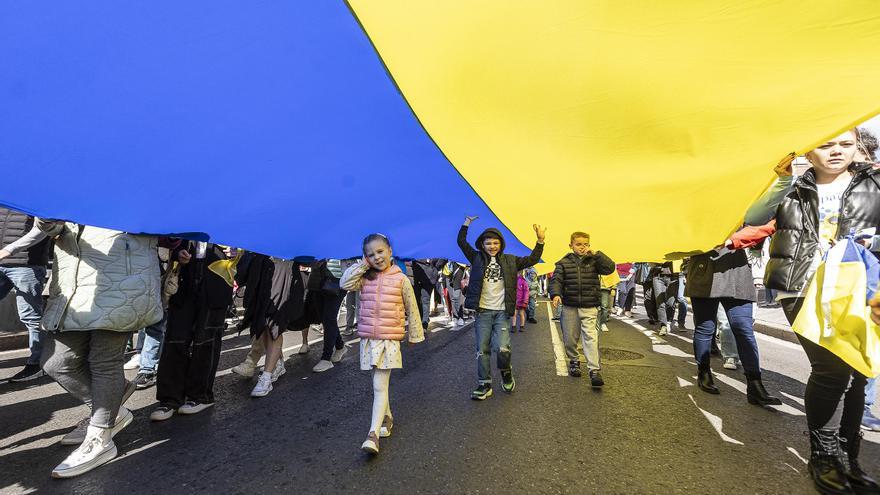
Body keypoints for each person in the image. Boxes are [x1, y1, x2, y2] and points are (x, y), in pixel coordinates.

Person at [760, 130, 880, 494]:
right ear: (809, 152)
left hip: (857, 287)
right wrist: (780, 179)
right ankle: (823, 457)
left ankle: (849, 459)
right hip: (800, 286)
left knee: (859, 370)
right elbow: (754, 216)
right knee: (831, 369)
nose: (836, 151)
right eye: (827, 144)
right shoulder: (792, 187)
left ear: (858, 148)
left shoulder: (874, 184)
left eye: (845, 144)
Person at [37, 220, 162, 478]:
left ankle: (101, 437)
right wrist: (46, 215)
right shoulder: (73, 191)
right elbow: (52, 229)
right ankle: (113, 407)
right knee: (56, 363)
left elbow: (163, 228)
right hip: (73, 291)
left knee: (104, 362)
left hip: (122, 287)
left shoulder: (137, 190)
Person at [340, 234, 424, 455]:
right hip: (368, 339)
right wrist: (362, 264)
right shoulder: (364, 278)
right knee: (377, 384)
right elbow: (344, 282)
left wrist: (415, 335)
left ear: (390, 251)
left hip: (389, 339)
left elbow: (412, 308)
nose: (376, 257)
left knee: (379, 385)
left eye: (380, 252)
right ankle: (387, 417)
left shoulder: (401, 279)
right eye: (370, 254)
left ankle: (372, 435)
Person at [458, 216, 544, 400]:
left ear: (501, 244)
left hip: (502, 312)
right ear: (482, 245)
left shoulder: (511, 261)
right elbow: (461, 242)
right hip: (482, 312)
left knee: (503, 348)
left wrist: (540, 241)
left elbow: (532, 259)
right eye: (488, 243)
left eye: (495, 243)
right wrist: (466, 223)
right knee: (482, 349)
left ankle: (506, 373)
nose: (492, 246)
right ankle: (484, 384)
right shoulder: (476, 258)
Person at [150, 242, 232, 421]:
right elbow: (171, 241)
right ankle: (170, 399)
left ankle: (200, 396)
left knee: (206, 342)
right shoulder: (187, 217)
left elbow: (249, 246)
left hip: (217, 283)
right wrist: (178, 253)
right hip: (184, 282)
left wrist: (237, 252)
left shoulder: (234, 219)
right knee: (175, 340)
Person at [549, 232, 615, 387]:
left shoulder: (594, 261)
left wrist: (597, 254)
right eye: (578, 244)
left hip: (589, 305)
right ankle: (574, 360)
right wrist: (556, 294)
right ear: (571, 245)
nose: (582, 247)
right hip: (570, 306)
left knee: (591, 337)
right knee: (570, 338)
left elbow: (610, 268)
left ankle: (594, 370)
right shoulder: (563, 263)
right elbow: (556, 280)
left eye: (586, 244)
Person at [0, 208, 51, 382]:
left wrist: (9, 250)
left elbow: (42, 230)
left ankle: (37, 364)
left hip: (26, 264)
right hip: (2, 261)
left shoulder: (37, 197)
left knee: (31, 317)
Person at [307, 259, 349, 372]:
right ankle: (340, 346)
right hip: (317, 279)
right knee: (324, 318)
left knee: (329, 318)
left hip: (337, 280)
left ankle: (326, 358)